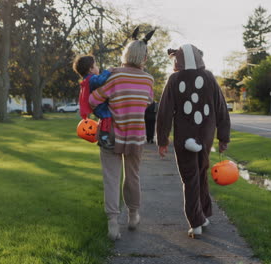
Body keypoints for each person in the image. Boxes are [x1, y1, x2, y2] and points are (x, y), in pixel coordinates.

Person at [156, 44, 231, 238]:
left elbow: (164, 112)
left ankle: (196, 221)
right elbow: (221, 108)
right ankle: (203, 214)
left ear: (178, 60)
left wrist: (162, 139)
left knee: (190, 178)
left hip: (184, 137)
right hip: (205, 136)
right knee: (201, 173)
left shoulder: (174, 80)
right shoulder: (209, 78)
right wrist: (223, 137)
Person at [89, 28, 155, 240]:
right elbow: (147, 102)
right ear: (143, 57)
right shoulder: (148, 80)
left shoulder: (114, 74)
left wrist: (108, 108)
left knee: (111, 178)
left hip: (112, 135)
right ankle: (133, 215)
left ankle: (113, 224)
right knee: (133, 176)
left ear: (125, 54)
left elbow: (93, 100)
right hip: (136, 135)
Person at [73, 55, 113, 148]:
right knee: (107, 116)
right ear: (90, 69)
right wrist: (108, 71)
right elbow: (101, 80)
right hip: (99, 106)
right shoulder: (92, 78)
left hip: (96, 105)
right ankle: (104, 138)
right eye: (96, 65)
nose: (98, 68)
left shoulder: (87, 79)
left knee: (103, 119)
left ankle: (100, 137)